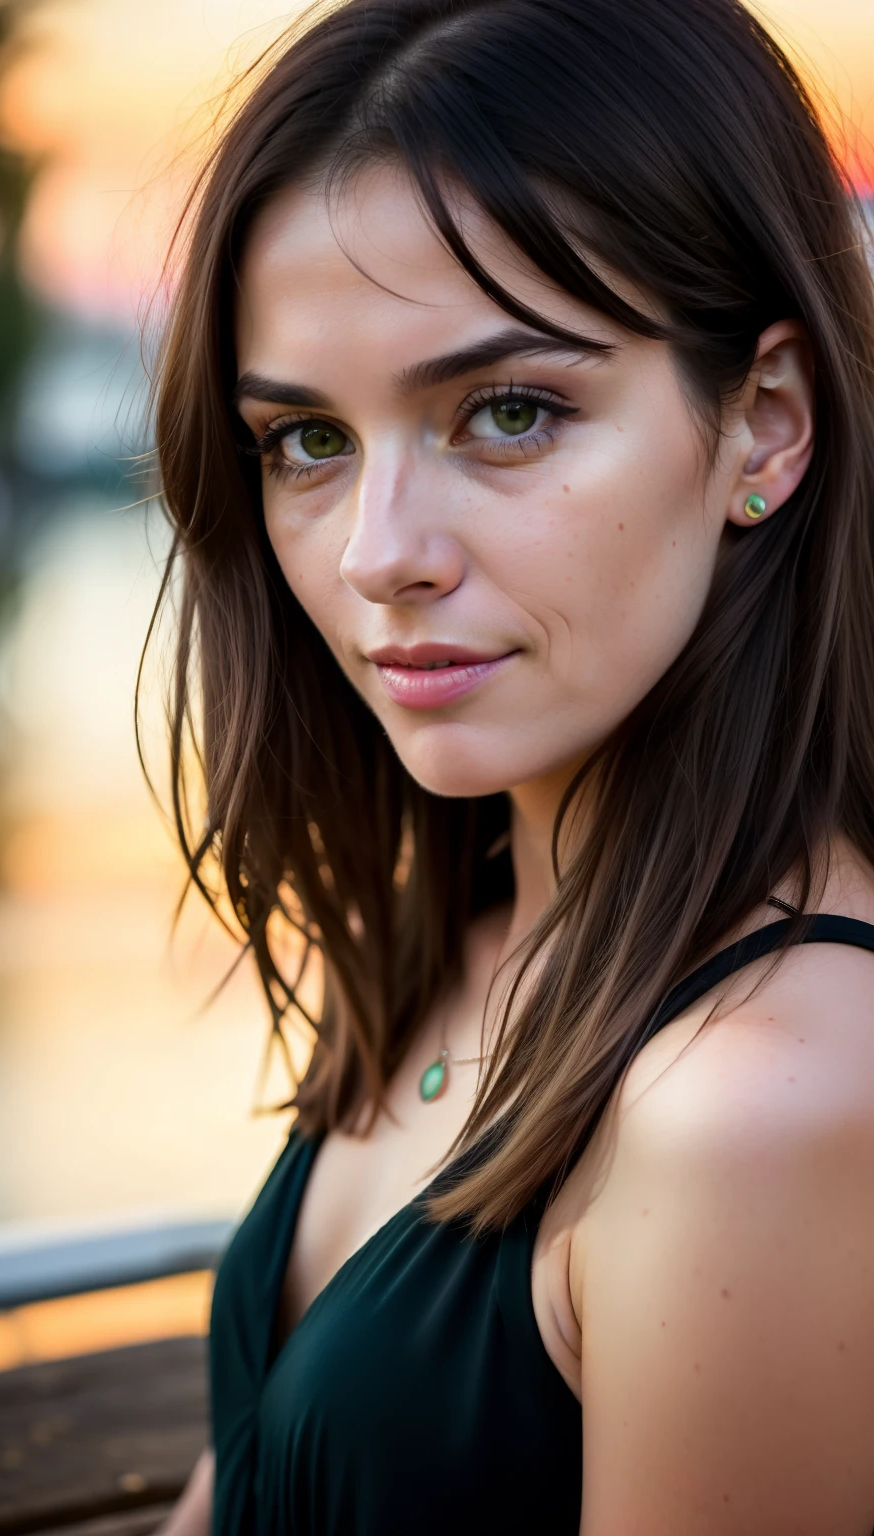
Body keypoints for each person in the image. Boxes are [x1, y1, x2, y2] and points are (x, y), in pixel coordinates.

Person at [150, 0, 874, 1530]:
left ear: (764, 422)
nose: (377, 557)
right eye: (307, 442)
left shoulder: (759, 1095)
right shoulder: (466, 944)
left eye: (508, 411)